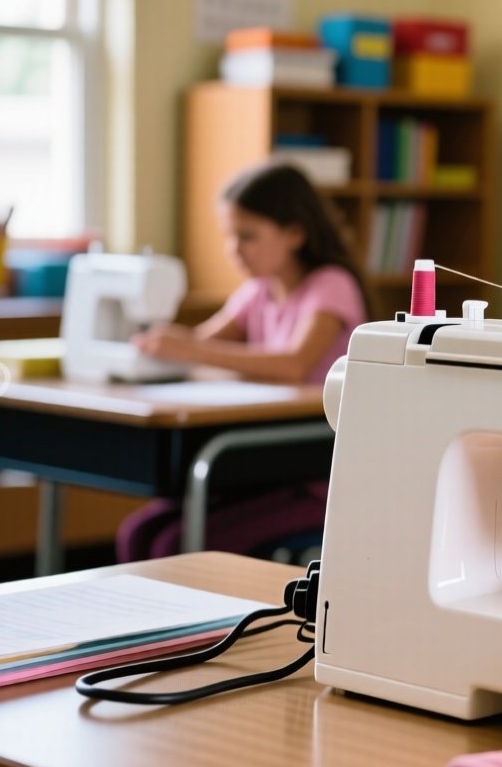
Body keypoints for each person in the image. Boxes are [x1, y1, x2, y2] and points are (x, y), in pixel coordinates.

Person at [116, 161, 370, 561]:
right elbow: (201, 342)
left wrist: (188, 348)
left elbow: (292, 364)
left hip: (317, 473)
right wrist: (156, 348)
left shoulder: (331, 285)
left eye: (247, 236)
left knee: (174, 544)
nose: (234, 249)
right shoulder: (258, 291)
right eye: (229, 236)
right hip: (267, 465)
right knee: (138, 533)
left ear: (294, 233)